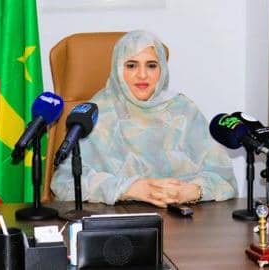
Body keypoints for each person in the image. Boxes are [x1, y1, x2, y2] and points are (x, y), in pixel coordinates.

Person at [51, 30, 236, 206]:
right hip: (119, 221)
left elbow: (224, 178)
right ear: (117, 69)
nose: (142, 75)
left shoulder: (183, 110)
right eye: (131, 65)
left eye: (151, 65)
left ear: (162, 69)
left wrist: (193, 191)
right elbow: (64, 183)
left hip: (181, 218)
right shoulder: (96, 113)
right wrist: (128, 188)